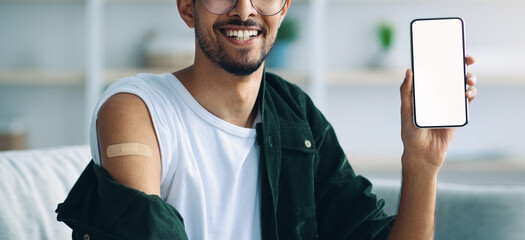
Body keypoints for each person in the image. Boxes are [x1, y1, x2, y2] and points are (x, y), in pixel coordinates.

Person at [56, 0, 478, 238]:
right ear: (187, 7)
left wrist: (422, 164)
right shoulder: (136, 107)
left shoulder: (295, 113)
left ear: (284, 8)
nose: (244, 10)